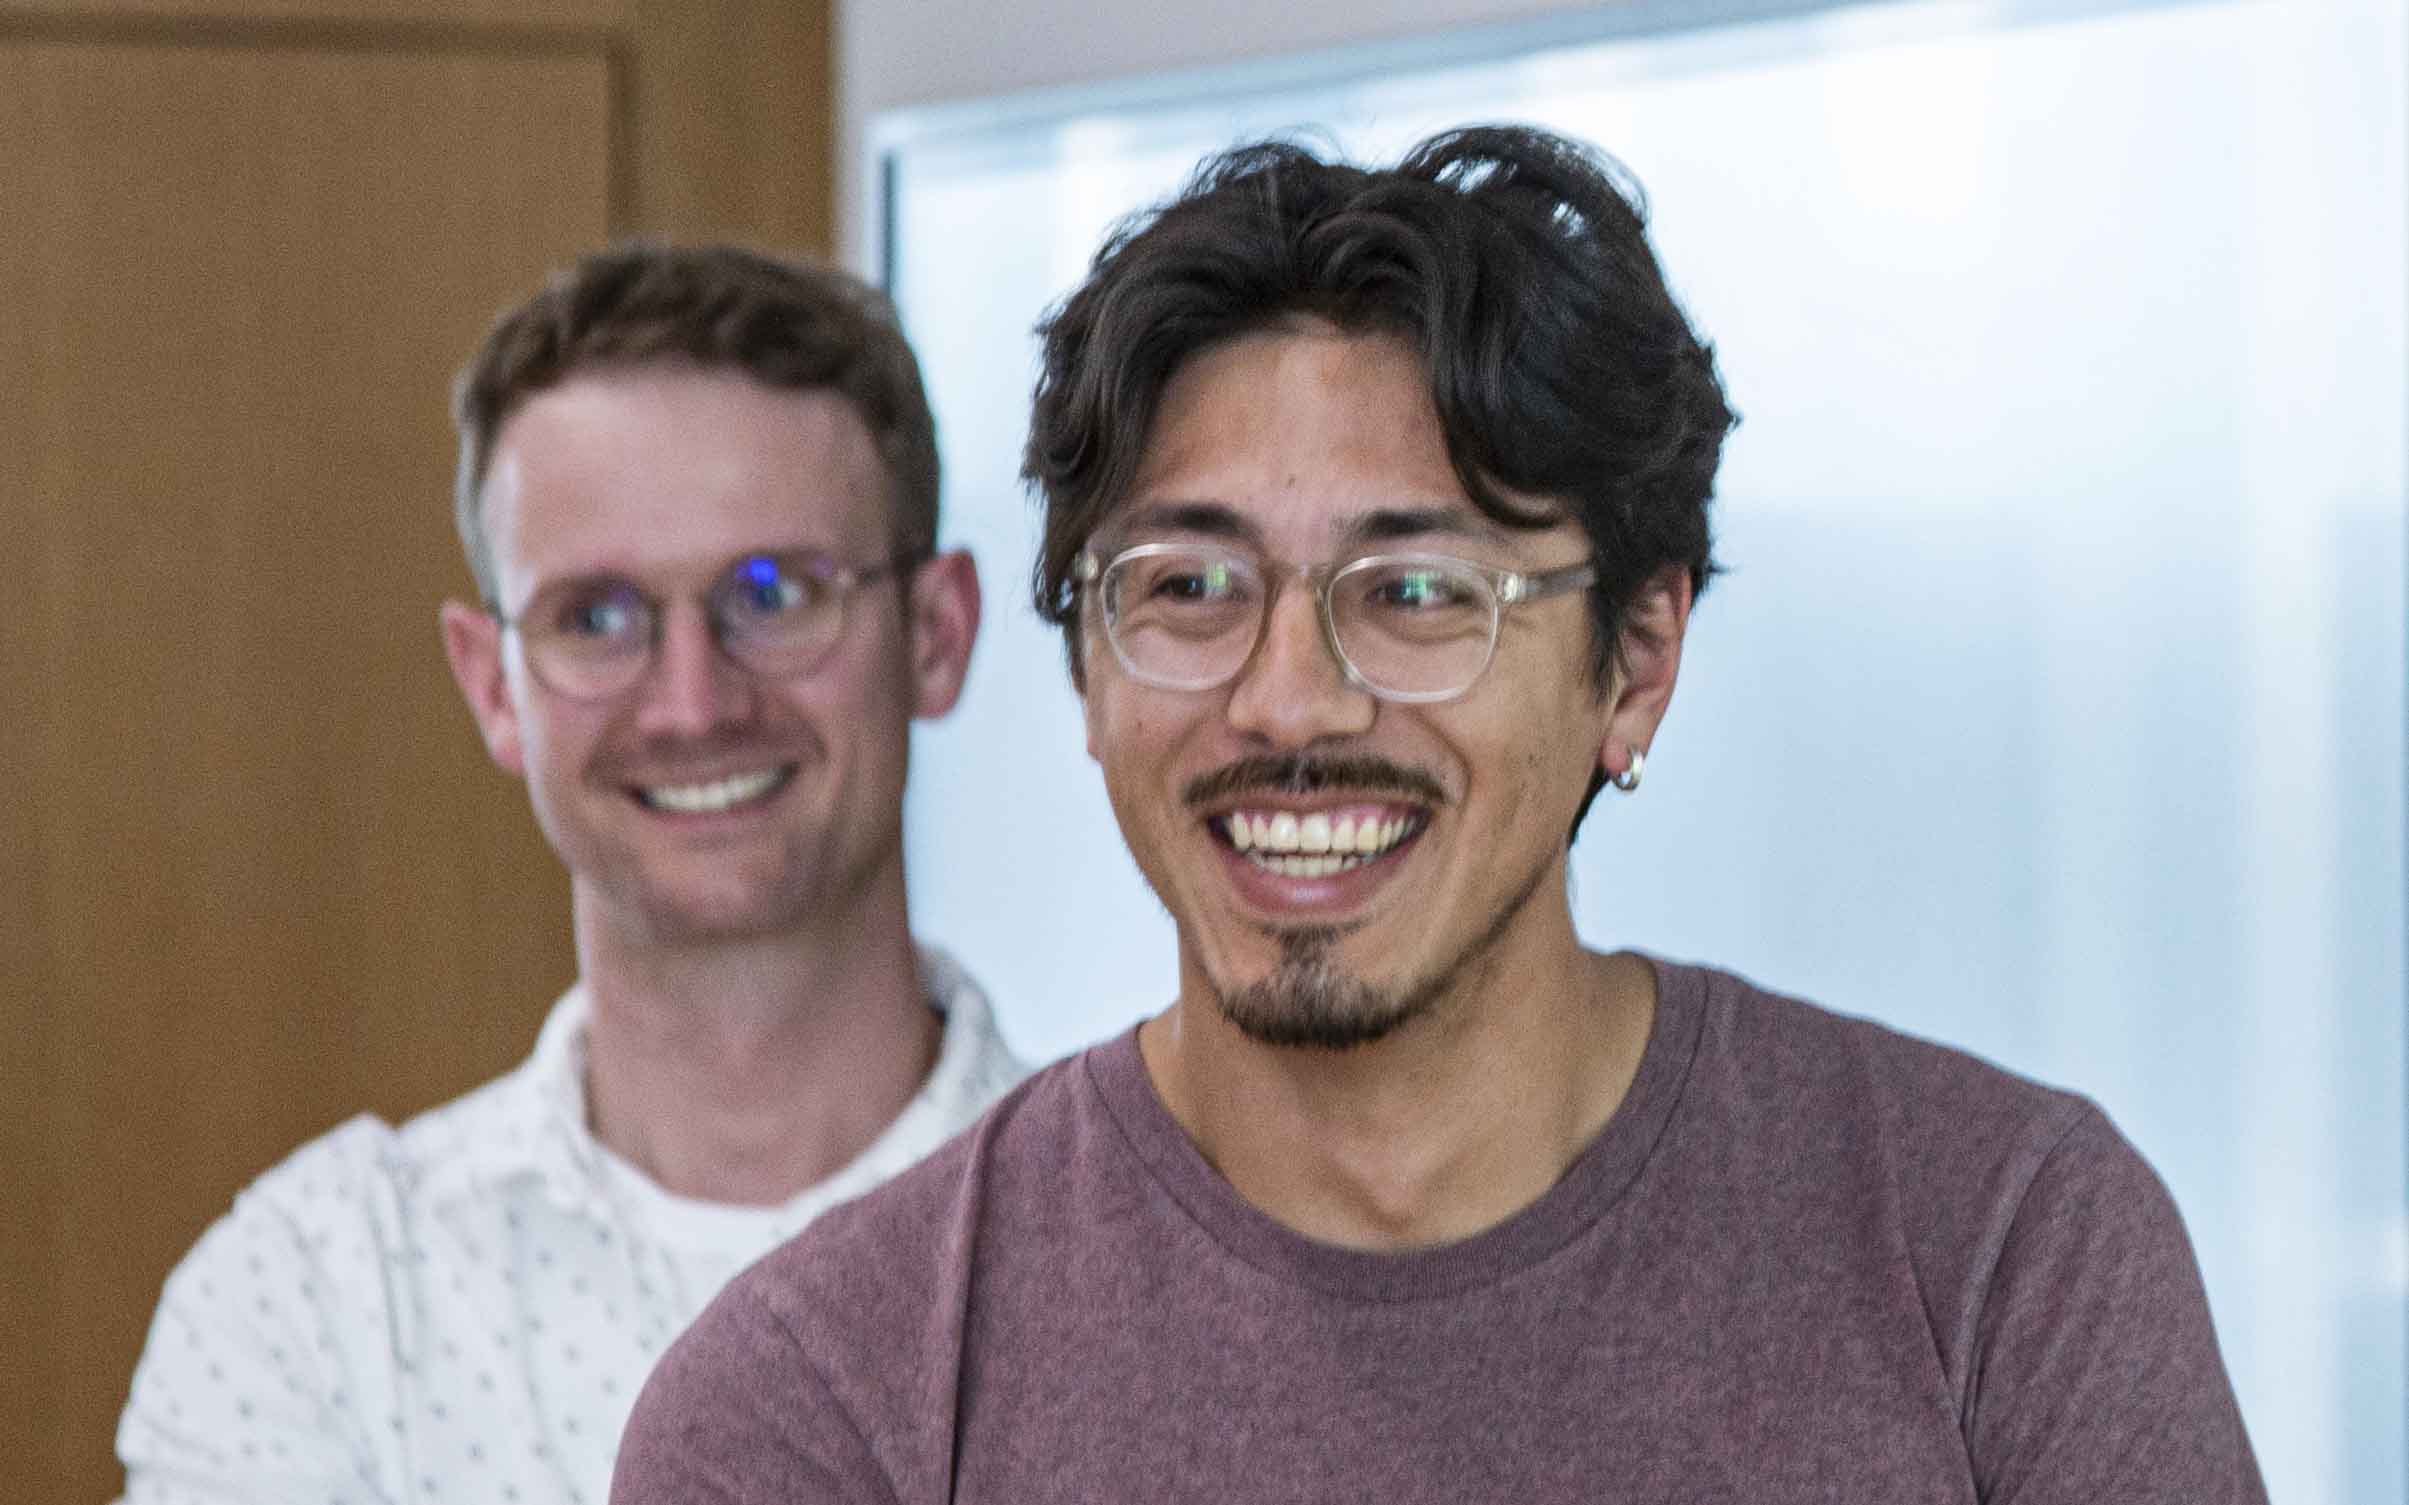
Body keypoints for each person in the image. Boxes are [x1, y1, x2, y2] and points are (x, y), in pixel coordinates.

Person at [610, 128, 2264, 1502]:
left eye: (1414, 592)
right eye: (1188, 588)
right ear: (1088, 673)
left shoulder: (1996, 1258)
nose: (1289, 702)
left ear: (1634, 662)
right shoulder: (817, 1411)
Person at [114, 244, 1028, 1505]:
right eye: (594, 617)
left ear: (936, 633)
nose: (695, 703)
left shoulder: (1173, 1254)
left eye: (775, 593)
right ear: (492, 683)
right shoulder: (319, 1296)